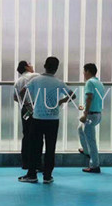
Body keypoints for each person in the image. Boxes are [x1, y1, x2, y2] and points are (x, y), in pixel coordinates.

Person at [18, 56, 75, 184]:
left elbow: (22, 92)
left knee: (35, 147)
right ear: (56, 68)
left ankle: (32, 174)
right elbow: (72, 95)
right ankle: (47, 176)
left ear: (45, 65)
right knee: (50, 148)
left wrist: (28, 105)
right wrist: (61, 101)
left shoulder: (36, 80)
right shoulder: (59, 82)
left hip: (38, 118)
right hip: (53, 119)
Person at [77, 63, 105, 174]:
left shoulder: (89, 82)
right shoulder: (99, 83)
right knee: (80, 129)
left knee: (91, 141)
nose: (83, 74)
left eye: (84, 71)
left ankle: (94, 165)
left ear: (88, 71)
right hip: (97, 114)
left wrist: (85, 114)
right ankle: (86, 150)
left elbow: (89, 97)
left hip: (90, 115)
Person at [13, 60, 39, 171]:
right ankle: (36, 163)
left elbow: (15, 97)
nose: (32, 66)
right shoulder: (35, 76)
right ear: (26, 67)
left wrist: (25, 104)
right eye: (30, 64)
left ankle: (26, 162)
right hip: (36, 108)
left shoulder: (18, 81)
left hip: (25, 110)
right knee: (37, 135)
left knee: (27, 134)